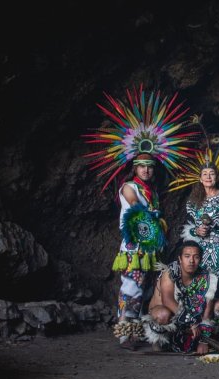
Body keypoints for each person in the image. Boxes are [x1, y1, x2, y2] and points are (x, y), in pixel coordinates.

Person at [82, 86, 197, 350]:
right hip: (135, 249)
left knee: (145, 290)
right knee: (131, 290)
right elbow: (136, 210)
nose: (146, 170)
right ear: (135, 167)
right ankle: (125, 335)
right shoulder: (129, 188)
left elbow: (153, 217)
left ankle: (142, 331)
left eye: (149, 167)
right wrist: (153, 217)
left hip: (151, 248)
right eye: (142, 166)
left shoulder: (153, 191)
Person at [170, 141, 219, 332]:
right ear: (200, 178)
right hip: (199, 247)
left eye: (211, 173)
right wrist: (196, 231)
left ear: (217, 176)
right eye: (204, 174)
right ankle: (195, 319)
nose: (208, 177)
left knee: (216, 282)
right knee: (197, 280)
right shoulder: (193, 201)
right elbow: (188, 227)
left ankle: (209, 320)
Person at [143, 242, 212, 354]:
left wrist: (204, 341)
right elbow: (167, 300)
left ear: (201, 260)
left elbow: (208, 307)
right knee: (163, 314)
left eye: (196, 257)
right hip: (169, 318)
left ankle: (196, 339)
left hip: (192, 317)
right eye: (187, 256)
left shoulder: (206, 276)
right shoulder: (170, 271)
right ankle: (158, 342)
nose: (191, 261)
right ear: (180, 259)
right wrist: (190, 321)